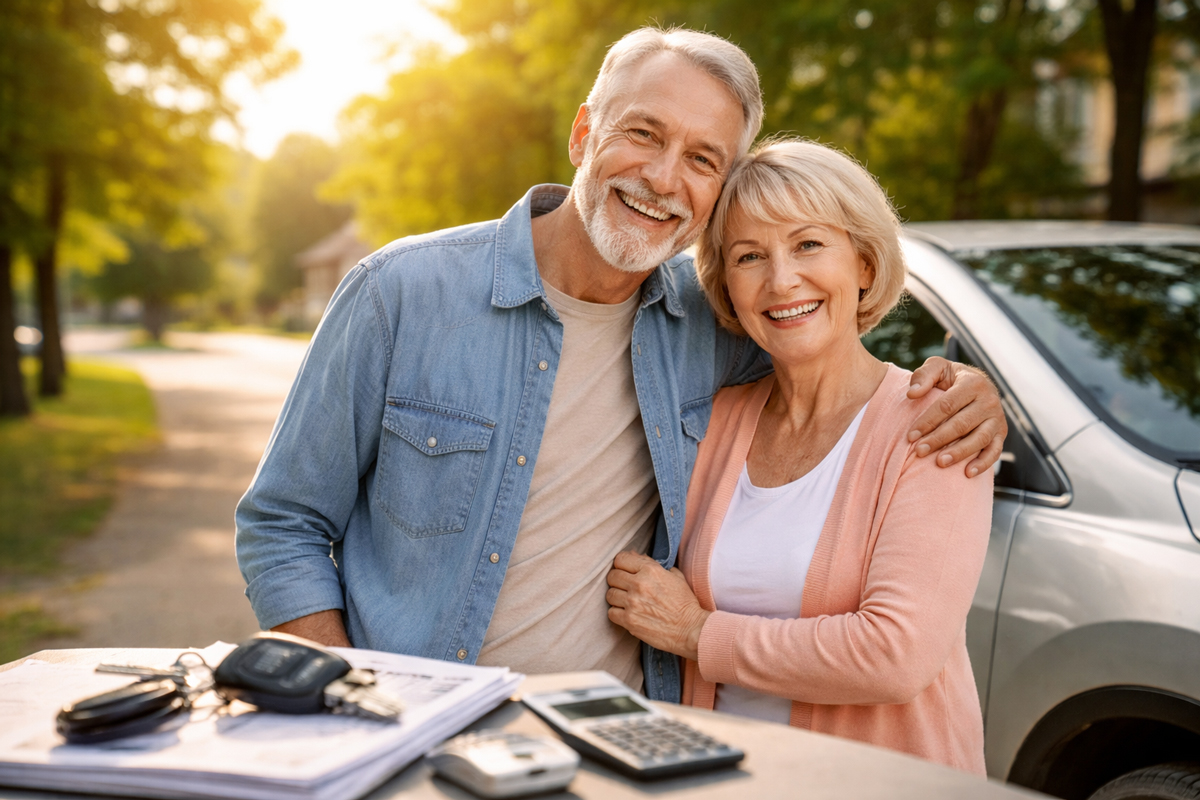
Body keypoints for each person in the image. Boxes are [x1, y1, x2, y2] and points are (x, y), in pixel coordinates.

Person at [235, 28, 1006, 705]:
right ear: (583, 134)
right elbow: (282, 524)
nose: (665, 178)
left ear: (717, 192)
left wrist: (968, 389)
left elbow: (829, 348)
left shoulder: (715, 325)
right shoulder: (399, 295)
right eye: (644, 133)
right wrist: (347, 698)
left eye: (703, 159)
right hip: (414, 736)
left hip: (615, 749)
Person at [604, 138, 992, 772]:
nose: (781, 280)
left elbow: (896, 654)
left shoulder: (936, 423)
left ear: (864, 264)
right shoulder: (717, 419)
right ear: (726, 286)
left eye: (809, 244)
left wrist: (697, 633)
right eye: (749, 256)